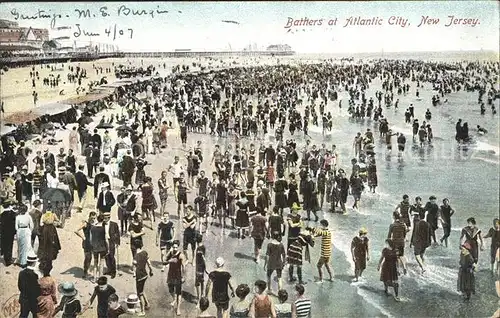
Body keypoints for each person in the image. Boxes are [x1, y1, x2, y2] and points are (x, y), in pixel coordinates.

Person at [132, 239, 153, 316]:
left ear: (134, 246)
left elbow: (134, 267)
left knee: (139, 293)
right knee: (142, 290)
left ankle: (142, 311)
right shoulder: (145, 253)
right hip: (145, 275)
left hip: (139, 276)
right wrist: (151, 271)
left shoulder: (135, 256)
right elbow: (149, 263)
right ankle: (147, 304)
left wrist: (134, 274)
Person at [165, 240, 186, 316]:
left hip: (178, 275)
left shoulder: (181, 255)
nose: (175, 249)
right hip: (170, 275)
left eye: (176, 247)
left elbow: (183, 267)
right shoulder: (171, 253)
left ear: (178, 247)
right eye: (173, 247)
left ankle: (178, 309)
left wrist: (183, 277)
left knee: (179, 293)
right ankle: (174, 299)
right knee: (170, 289)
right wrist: (169, 255)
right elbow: (164, 261)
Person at [74, 211, 97, 279]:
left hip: (94, 243)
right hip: (87, 243)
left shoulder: (95, 224)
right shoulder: (85, 224)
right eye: (92, 218)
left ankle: (93, 274)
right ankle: (85, 272)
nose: (93, 219)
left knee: (94, 258)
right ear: (89, 217)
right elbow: (76, 230)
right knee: (87, 258)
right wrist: (83, 237)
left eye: (94, 218)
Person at [18, 253, 41, 318]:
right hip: (33, 300)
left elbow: (20, 286)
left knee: (23, 315)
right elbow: (37, 289)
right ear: (34, 263)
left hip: (23, 298)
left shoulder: (21, 273)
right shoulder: (35, 275)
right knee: (35, 315)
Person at [103, 211, 120, 279]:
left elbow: (117, 234)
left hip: (111, 242)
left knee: (112, 256)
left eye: (106, 218)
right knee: (106, 257)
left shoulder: (114, 224)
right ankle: (109, 269)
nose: (104, 219)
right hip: (104, 242)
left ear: (109, 217)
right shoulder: (102, 224)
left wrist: (117, 243)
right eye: (104, 218)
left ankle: (113, 271)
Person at [90, 214, 108, 280]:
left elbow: (91, 239)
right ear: (103, 220)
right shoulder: (103, 228)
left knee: (95, 263)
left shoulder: (92, 228)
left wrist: (92, 246)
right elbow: (106, 239)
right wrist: (107, 247)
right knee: (101, 263)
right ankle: (100, 277)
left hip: (95, 247)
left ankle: (94, 278)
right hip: (102, 247)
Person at [1, 202, 17, 266]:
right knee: (10, 245)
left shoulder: (1, 214)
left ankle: (6, 259)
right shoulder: (13, 214)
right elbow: (15, 223)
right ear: (9, 206)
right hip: (11, 232)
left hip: (3, 232)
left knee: (5, 245)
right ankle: (9, 259)